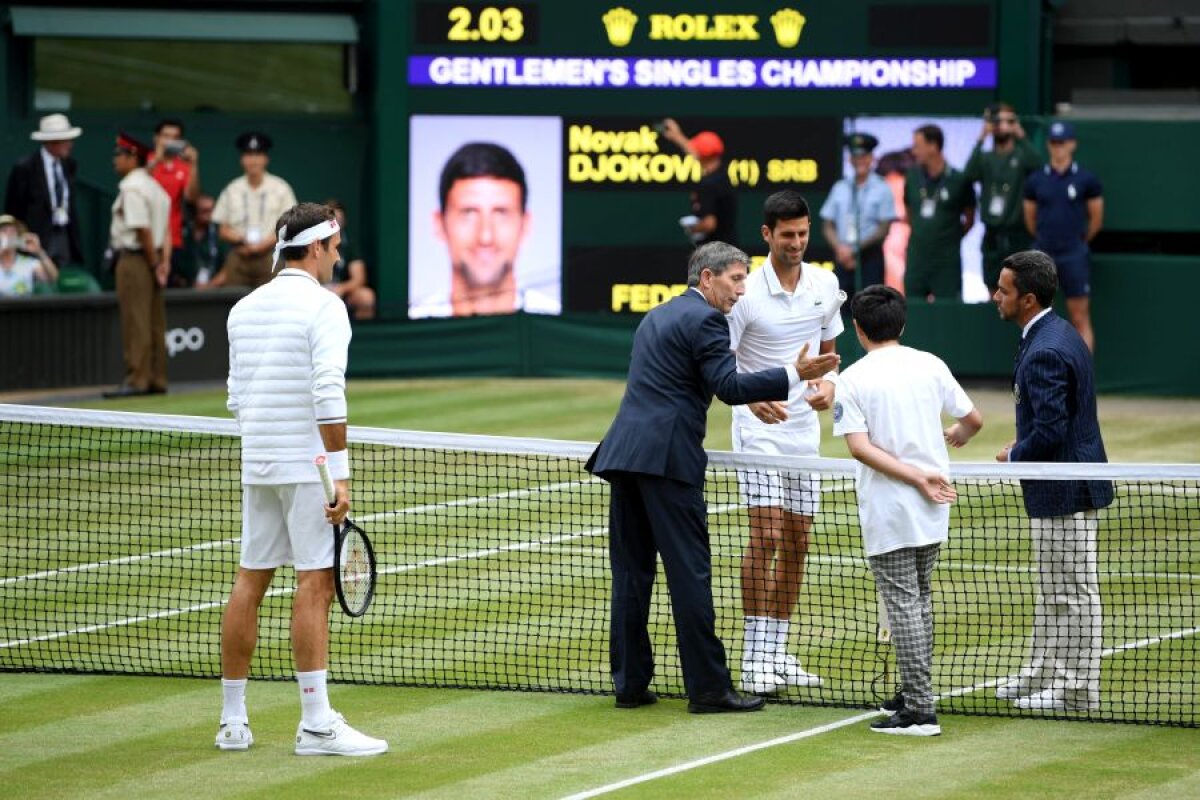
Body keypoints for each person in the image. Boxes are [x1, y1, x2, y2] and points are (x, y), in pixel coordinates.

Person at [586, 241, 841, 714]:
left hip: (623, 455)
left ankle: (630, 684)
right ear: (707, 277)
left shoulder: (656, 316)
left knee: (631, 575)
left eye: (744, 280)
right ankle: (707, 689)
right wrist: (794, 372)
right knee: (690, 575)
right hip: (667, 461)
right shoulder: (707, 320)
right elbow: (728, 385)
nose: (741, 290)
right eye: (735, 279)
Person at [219, 201, 387, 756]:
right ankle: (316, 724)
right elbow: (327, 391)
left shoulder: (242, 309)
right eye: (334, 248)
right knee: (315, 584)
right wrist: (339, 476)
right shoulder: (326, 307)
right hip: (309, 470)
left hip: (259, 463)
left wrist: (266, 446)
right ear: (315, 247)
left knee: (250, 580)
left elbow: (236, 398)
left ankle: (232, 723)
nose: (337, 257)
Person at [833, 284, 983, 737]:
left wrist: (916, 477)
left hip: (894, 507)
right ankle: (913, 691)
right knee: (918, 599)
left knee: (903, 604)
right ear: (902, 323)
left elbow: (859, 448)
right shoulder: (930, 364)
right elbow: (973, 420)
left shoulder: (852, 379)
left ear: (858, 329)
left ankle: (920, 711)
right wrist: (955, 436)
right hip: (933, 505)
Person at [729, 191, 843, 695]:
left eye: (802, 233)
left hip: (802, 430)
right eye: (787, 235)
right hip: (757, 428)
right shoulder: (745, 292)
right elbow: (722, 362)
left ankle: (777, 650)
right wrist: (751, 398)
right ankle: (754, 656)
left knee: (798, 540)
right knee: (767, 536)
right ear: (767, 235)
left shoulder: (826, 284)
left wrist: (827, 387)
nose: (796, 243)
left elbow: (829, 354)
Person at [993, 249, 1113, 713]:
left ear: (1027, 299)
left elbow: (1051, 431)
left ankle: (1076, 689)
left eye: (1003, 290)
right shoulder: (1053, 333)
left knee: (1072, 592)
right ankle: (1042, 671)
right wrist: (1024, 444)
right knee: (1053, 590)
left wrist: (1014, 455)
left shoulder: (1045, 349)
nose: (996, 296)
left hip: (1065, 488)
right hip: (1060, 485)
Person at [412, 142, 558, 318]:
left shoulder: (559, 327)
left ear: (525, 225)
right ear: (439, 224)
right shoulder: (409, 329)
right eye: (469, 213)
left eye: (501, 213)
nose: (485, 236)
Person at [1023, 121, 1103, 352]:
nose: (1058, 147)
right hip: (1042, 254)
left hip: (1073, 253)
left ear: (1072, 144)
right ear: (1048, 145)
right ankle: (1040, 367)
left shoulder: (1086, 179)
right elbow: (1030, 219)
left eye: (1062, 142)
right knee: (1037, 318)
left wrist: (1078, 242)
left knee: (1079, 316)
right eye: (1054, 142)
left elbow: (1096, 219)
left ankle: (1082, 371)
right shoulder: (1036, 180)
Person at [103, 133, 171, 399]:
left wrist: (153, 265)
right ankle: (156, 377)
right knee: (154, 320)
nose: (115, 160)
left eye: (119, 155)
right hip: (154, 257)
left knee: (136, 320)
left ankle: (137, 379)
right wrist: (163, 263)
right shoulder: (154, 186)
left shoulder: (132, 187)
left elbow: (142, 229)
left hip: (136, 259)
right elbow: (164, 231)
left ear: (132, 157)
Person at [962, 103, 1040, 294]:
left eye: (1008, 121)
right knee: (993, 288)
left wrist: (1020, 135)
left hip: (1017, 233)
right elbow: (968, 175)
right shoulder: (985, 158)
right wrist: (981, 137)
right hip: (992, 233)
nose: (1002, 125)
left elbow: (1038, 166)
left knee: (1021, 289)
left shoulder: (1021, 156)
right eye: (997, 121)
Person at [206, 132, 297, 289]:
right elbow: (223, 230)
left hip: (270, 256)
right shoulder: (232, 189)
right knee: (233, 301)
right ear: (242, 159)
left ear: (266, 159)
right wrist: (241, 239)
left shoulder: (281, 188)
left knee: (270, 301)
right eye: (248, 155)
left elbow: (288, 227)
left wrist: (263, 245)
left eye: (258, 155)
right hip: (239, 255)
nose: (253, 160)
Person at [820, 132, 895, 315]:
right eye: (855, 156)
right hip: (843, 258)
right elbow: (827, 224)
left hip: (869, 258)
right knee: (839, 312)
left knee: (871, 311)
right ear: (850, 159)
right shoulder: (840, 187)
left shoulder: (882, 188)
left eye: (863, 156)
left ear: (871, 158)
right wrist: (840, 248)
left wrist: (855, 250)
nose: (859, 160)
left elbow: (884, 228)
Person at [903, 124, 976, 302]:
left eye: (917, 146)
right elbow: (909, 212)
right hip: (917, 259)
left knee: (949, 310)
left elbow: (970, 218)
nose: (913, 151)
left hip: (947, 262)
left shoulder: (959, 180)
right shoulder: (912, 177)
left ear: (933, 146)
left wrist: (949, 238)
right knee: (912, 309)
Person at [4, 113, 84, 270]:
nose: (70, 145)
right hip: (36, 239)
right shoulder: (25, 168)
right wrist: (20, 240)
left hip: (63, 236)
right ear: (53, 142)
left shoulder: (69, 165)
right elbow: (14, 209)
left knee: (61, 277)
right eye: (66, 140)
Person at [660, 118, 736, 246]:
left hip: (716, 253)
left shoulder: (708, 185)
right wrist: (677, 136)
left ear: (702, 156)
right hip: (729, 248)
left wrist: (692, 229)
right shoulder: (723, 175)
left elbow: (709, 224)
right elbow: (694, 151)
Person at [147, 118, 201, 282]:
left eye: (175, 137)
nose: (170, 141)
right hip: (145, 236)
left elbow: (192, 197)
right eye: (166, 136)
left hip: (173, 238)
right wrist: (156, 160)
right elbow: (137, 184)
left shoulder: (183, 166)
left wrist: (194, 165)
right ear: (156, 138)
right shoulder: (146, 161)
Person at [324, 199, 376, 320]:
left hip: (340, 291)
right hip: (317, 289)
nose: (336, 225)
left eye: (339, 221)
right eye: (332, 221)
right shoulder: (314, 243)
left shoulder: (349, 246)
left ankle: (361, 332)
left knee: (366, 297)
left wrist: (340, 289)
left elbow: (359, 278)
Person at [0, 214, 58, 296]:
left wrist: (39, 251)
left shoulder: (29, 263)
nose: (9, 235)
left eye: (12, 231)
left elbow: (52, 278)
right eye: (4, 231)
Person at [178, 193, 223, 287]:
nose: (208, 215)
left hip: (215, 289)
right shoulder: (183, 232)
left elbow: (227, 270)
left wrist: (208, 286)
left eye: (211, 210)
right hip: (185, 289)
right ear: (195, 211)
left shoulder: (219, 232)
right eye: (204, 211)